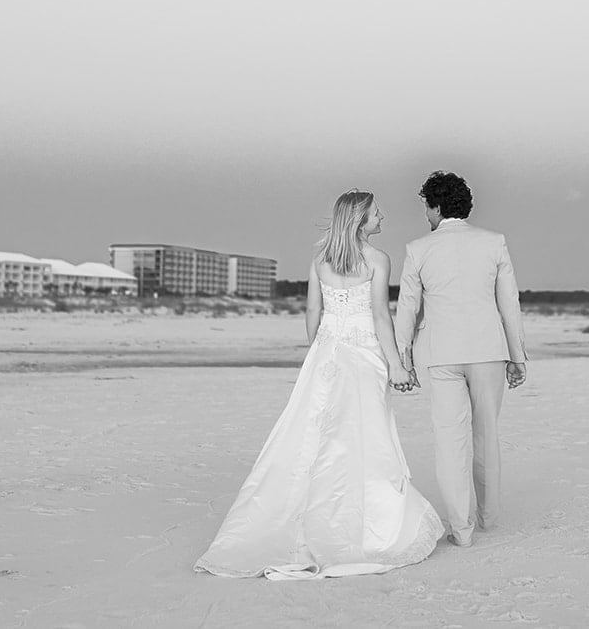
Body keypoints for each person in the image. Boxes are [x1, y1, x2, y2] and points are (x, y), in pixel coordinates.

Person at [195, 191, 445, 579]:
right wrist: (396, 365)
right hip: (363, 357)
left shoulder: (320, 261)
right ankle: (355, 527)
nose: (383, 217)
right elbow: (380, 315)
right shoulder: (377, 260)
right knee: (362, 436)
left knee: (311, 435)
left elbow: (314, 312)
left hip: (326, 353)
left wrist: (320, 352)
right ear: (361, 219)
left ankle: (303, 518)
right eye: (377, 212)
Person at [394, 171, 527, 548]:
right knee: (486, 434)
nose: (426, 215)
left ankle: (462, 529)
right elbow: (509, 304)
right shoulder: (493, 243)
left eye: (426, 206)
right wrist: (517, 356)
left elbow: (407, 309)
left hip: (440, 354)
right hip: (488, 350)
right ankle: (488, 516)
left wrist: (402, 358)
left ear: (436, 206)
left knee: (449, 440)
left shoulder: (419, 249)